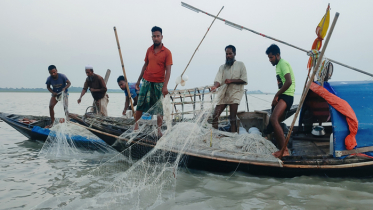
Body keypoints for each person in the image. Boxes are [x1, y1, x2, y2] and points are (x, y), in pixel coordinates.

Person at [134, 26, 172, 136]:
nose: (156, 38)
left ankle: (159, 129)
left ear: (162, 37)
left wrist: (165, 86)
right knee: (140, 103)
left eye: (158, 36)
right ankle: (136, 124)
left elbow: (168, 70)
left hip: (159, 83)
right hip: (146, 81)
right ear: (152, 37)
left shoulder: (167, 52)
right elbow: (145, 64)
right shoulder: (149, 50)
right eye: (154, 36)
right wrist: (138, 80)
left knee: (159, 107)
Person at [265, 44, 295, 158]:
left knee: (273, 118)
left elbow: (288, 82)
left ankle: (284, 150)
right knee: (274, 119)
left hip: (287, 96)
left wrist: (276, 95)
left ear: (277, 55)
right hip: (283, 95)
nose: (270, 60)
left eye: (271, 57)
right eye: (268, 58)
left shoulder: (283, 64)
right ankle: (269, 138)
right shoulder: (277, 66)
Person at [211, 45, 247, 133]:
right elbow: (218, 80)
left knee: (232, 117)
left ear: (234, 53)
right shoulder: (222, 67)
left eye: (230, 54)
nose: (228, 56)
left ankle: (233, 136)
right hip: (224, 94)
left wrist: (231, 80)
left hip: (235, 93)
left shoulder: (240, 65)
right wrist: (215, 86)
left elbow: (244, 80)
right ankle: (215, 135)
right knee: (215, 115)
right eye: (226, 54)